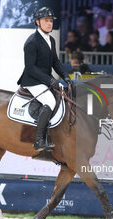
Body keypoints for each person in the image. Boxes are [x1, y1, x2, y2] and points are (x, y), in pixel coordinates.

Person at [17, 7, 72, 151]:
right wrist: (50, 81)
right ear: (37, 22)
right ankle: (39, 140)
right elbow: (30, 68)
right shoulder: (32, 42)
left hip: (44, 79)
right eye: (46, 21)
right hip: (32, 81)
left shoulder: (51, 40)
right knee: (50, 101)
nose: (49, 23)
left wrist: (65, 75)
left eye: (51, 21)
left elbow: (55, 61)